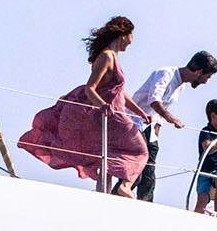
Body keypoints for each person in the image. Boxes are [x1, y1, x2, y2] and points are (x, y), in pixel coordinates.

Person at [18, 15, 151, 194]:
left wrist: (140, 112)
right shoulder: (107, 56)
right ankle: (125, 186)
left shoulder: (114, 57)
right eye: (131, 35)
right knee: (139, 150)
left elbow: (120, 92)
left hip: (114, 113)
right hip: (108, 115)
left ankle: (103, 194)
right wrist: (102, 105)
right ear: (123, 35)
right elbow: (90, 88)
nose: (132, 40)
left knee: (108, 156)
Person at [126, 49, 217, 202]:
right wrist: (172, 119)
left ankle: (146, 203)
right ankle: (118, 195)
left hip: (150, 129)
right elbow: (154, 101)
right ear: (199, 72)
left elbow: (160, 112)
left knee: (149, 171)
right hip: (134, 123)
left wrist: (156, 134)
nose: (206, 81)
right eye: (207, 77)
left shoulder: (181, 86)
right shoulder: (165, 73)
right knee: (138, 168)